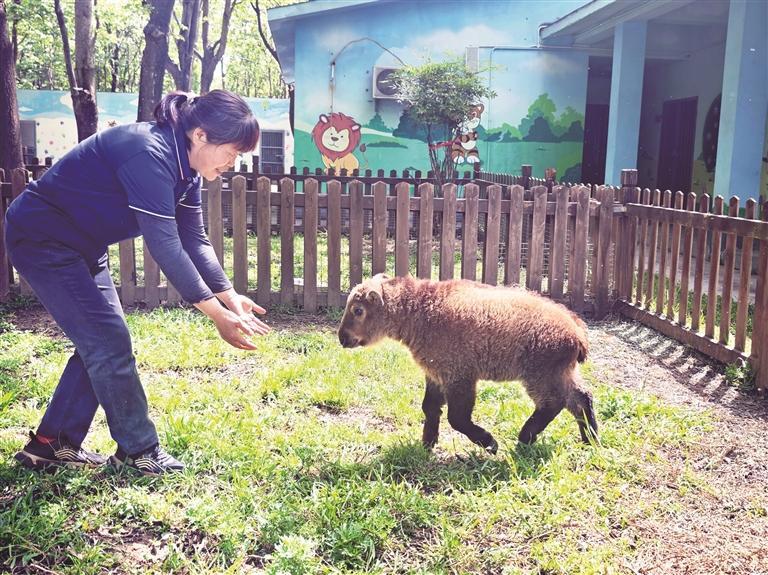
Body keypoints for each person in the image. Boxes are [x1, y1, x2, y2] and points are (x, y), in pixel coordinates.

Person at [4, 89, 270, 476]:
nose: (233, 162)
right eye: (231, 151)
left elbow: (194, 239)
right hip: (43, 238)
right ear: (200, 135)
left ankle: (49, 445)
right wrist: (215, 315)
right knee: (106, 341)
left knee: (101, 342)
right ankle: (138, 452)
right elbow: (165, 246)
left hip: (83, 244)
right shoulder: (148, 153)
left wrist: (230, 298)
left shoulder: (186, 170)